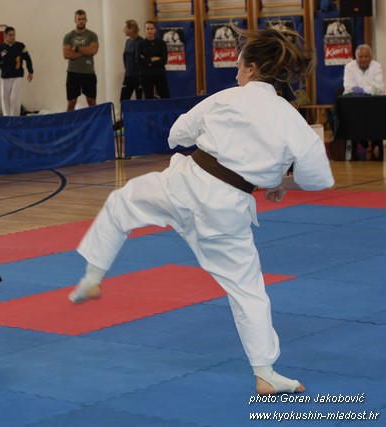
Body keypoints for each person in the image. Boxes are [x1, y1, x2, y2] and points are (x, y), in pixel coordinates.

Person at [69, 26, 334, 396]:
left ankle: (93, 276)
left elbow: (177, 134)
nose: (236, 73)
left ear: (252, 69)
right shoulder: (289, 118)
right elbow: (318, 177)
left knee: (121, 202)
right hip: (226, 212)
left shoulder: (225, 99)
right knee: (248, 291)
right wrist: (278, 181)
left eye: (239, 66)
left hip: (183, 186)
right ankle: (265, 373)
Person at [342, 44, 384, 160]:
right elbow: (349, 87)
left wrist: (361, 89)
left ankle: (375, 143)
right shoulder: (349, 67)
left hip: (373, 105)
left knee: (378, 117)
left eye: (366, 56)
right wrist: (370, 88)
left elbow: (380, 88)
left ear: (371, 57)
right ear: (356, 57)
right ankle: (362, 144)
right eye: (360, 56)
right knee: (353, 119)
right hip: (353, 105)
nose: (363, 59)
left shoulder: (377, 66)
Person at [0, 27, 33, 117]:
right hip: (5, 77)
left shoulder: (20, 46)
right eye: (10, 35)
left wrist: (30, 71)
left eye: (14, 35)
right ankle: (7, 117)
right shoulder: (0, 48)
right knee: (5, 99)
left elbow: (27, 58)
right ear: (5, 36)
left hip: (17, 76)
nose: (13, 37)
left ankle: (15, 118)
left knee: (15, 99)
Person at [63, 9, 99, 111]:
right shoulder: (69, 36)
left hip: (89, 73)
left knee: (91, 101)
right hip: (73, 73)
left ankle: (94, 120)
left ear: (86, 20)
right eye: (79, 19)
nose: (81, 21)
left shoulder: (92, 35)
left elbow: (92, 51)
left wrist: (76, 48)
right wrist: (85, 52)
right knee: (72, 101)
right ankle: (69, 121)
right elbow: (66, 54)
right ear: (75, 20)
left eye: (83, 19)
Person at [137, 21, 170, 100]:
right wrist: (152, 59)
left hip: (159, 74)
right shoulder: (141, 44)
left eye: (151, 29)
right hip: (146, 75)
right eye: (147, 29)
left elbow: (164, 60)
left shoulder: (162, 43)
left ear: (155, 30)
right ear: (144, 30)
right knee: (148, 98)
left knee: (165, 96)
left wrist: (146, 60)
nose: (149, 31)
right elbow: (139, 60)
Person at [120, 19, 143, 102]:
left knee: (140, 99)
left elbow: (142, 59)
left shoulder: (141, 42)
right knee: (123, 100)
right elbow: (125, 57)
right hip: (128, 75)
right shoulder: (128, 41)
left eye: (126, 28)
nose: (124, 30)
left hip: (138, 76)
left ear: (132, 29)